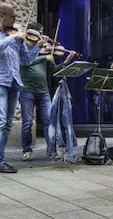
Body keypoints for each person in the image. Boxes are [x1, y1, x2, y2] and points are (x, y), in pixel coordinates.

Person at [19, 22, 77, 161]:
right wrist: (43, 56)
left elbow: (54, 71)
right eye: (40, 33)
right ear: (32, 34)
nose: (43, 36)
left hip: (43, 91)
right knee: (27, 123)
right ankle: (27, 150)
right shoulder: (24, 47)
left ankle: (52, 150)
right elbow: (24, 62)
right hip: (26, 90)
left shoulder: (46, 49)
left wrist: (66, 61)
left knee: (49, 121)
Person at [0, 1, 44, 173]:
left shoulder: (17, 36)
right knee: (2, 121)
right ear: (2, 16)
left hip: (14, 83)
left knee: (8, 124)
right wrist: (12, 38)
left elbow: (26, 60)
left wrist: (37, 47)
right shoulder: (11, 36)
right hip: (1, 82)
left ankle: (1, 160)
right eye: (13, 16)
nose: (16, 19)